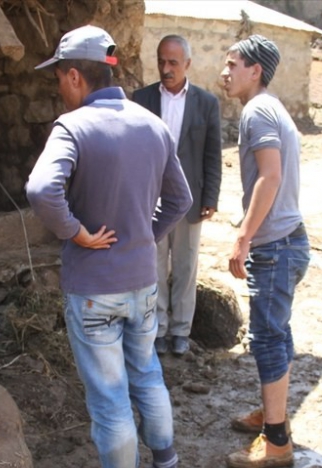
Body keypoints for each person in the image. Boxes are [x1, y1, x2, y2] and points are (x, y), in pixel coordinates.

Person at [25, 25, 193, 468]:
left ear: (76, 76)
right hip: (142, 282)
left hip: (95, 289)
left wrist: (76, 233)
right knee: (148, 375)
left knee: (109, 393)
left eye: (60, 77)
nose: (60, 87)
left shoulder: (72, 127)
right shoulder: (152, 124)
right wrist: (145, 235)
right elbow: (181, 199)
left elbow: (41, 189)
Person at [219, 35, 309, 468]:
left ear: (255, 71)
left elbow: (269, 177)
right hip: (287, 240)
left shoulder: (258, 111)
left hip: (275, 245)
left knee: (268, 339)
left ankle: (276, 441)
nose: (224, 72)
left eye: (233, 64)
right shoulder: (270, 107)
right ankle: (275, 415)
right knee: (278, 333)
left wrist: (244, 237)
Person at [132, 35, 223, 357]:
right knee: (154, 265)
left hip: (190, 199)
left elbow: (212, 154)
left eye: (173, 62)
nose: (166, 69)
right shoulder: (141, 100)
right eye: (161, 61)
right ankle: (157, 328)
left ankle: (181, 330)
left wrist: (211, 196)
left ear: (187, 64)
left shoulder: (206, 103)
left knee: (186, 265)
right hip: (151, 198)